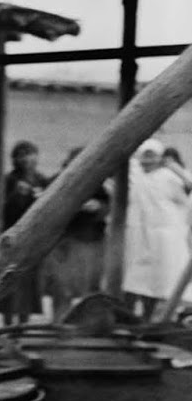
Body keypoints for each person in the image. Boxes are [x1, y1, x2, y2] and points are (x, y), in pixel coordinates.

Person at [38, 147, 110, 321]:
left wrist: (98, 207)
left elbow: (105, 205)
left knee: (87, 289)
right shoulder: (56, 181)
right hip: (62, 242)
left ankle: (83, 325)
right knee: (62, 289)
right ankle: (59, 325)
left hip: (89, 242)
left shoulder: (96, 182)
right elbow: (45, 208)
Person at [123, 138, 192, 316]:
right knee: (133, 279)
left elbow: (189, 186)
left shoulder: (168, 177)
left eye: (152, 157)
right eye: (144, 157)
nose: (147, 161)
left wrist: (174, 168)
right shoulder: (134, 174)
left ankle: (150, 316)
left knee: (159, 282)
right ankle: (126, 315)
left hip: (164, 237)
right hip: (137, 234)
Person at [0, 140, 51, 321]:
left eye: (31, 153)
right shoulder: (8, 180)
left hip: (33, 238)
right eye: (23, 154)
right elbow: (1, 210)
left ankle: (22, 323)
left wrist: (40, 197)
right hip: (13, 237)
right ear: (16, 159)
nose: (28, 158)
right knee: (9, 281)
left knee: (29, 282)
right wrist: (16, 195)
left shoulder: (42, 179)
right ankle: (7, 323)